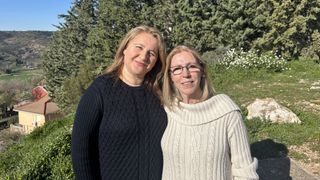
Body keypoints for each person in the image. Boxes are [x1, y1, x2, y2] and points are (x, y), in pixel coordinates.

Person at [71, 25, 168, 180]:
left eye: (152, 53)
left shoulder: (160, 93)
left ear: (156, 60)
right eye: (139, 47)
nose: (143, 56)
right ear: (125, 49)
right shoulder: (100, 91)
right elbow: (80, 151)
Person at [161, 45, 259, 180]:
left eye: (192, 66)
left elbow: (245, 172)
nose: (186, 74)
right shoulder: (168, 109)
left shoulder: (226, 111)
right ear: (171, 77)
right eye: (177, 69)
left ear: (202, 71)